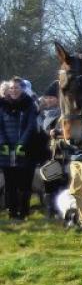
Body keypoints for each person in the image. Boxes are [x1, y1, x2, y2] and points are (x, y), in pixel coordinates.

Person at [0, 79, 38, 219]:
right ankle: (12, 211)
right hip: (6, 149)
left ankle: (23, 212)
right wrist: (2, 141)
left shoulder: (29, 105)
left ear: (22, 89)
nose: (14, 90)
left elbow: (31, 126)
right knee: (10, 183)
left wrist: (22, 143)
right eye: (11, 88)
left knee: (24, 183)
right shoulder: (1, 105)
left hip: (25, 149)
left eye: (16, 88)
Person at [36, 81, 65, 218]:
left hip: (60, 155)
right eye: (46, 97)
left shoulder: (63, 114)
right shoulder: (41, 114)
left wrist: (57, 133)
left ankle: (61, 210)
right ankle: (50, 211)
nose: (48, 100)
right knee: (47, 184)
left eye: (51, 97)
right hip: (44, 155)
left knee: (61, 184)